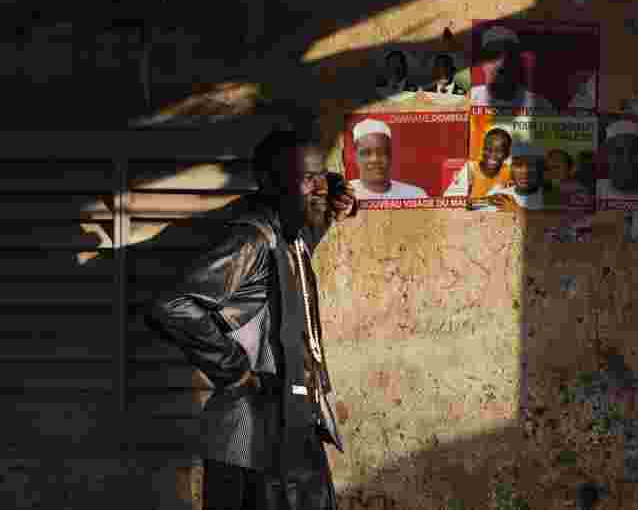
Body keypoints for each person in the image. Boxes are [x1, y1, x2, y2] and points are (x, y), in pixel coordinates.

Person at [144, 124, 357, 510]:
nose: (320, 188)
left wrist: (335, 195)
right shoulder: (254, 239)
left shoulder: (288, 236)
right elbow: (171, 305)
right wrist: (235, 370)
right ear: (270, 183)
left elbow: (306, 233)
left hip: (288, 424)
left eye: (321, 177)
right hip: (254, 437)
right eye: (308, 179)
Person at [469, 26, 554, 110]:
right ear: (482, 63)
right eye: (493, 55)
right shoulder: (466, 102)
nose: (500, 64)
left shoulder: (540, 106)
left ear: (518, 63)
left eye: (510, 56)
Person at [349, 119, 429, 199]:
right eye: (366, 153)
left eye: (382, 152)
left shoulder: (415, 195)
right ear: (355, 157)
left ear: (390, 156)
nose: (375, 159)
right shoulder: (342, 195)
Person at [444, 127, 513, 202]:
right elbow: (454, 202)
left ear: (507, 154)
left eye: (499, 151)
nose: (492, 154)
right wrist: (486, 200)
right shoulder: (469, 169)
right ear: (482, 149)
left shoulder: (509, 172)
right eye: (488, 149)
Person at [485, 142, 547, 211]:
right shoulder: (498, 195)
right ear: (511, 169)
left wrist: (515, 210)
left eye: (531, 165)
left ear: (540, 169)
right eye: (518, 165)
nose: (525, 171)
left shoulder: (551, 199)